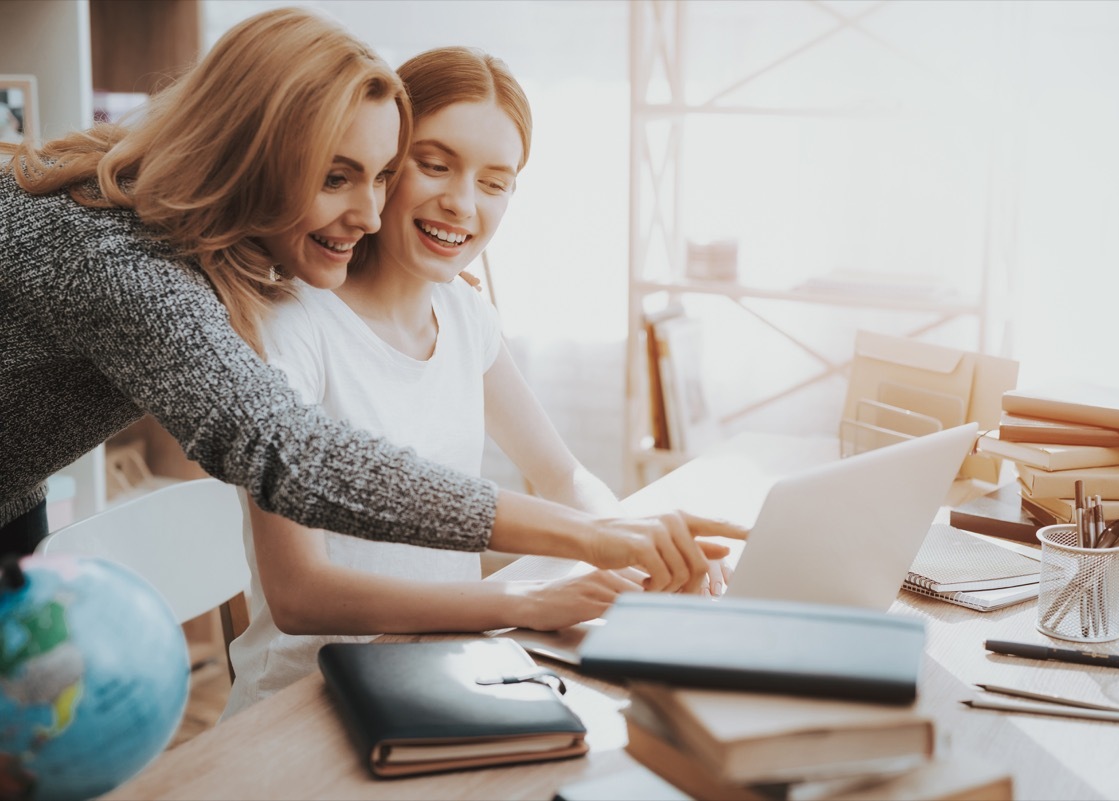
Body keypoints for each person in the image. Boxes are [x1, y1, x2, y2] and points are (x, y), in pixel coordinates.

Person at [0, 7, 742, 588]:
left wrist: (420, 275)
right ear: (248, 154)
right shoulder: (117, 260)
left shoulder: (208, 237)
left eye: (383, 176)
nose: (371, 213)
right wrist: (587, 536)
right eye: (335, 176)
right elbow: (292, 455)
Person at [223, 46, 689, 716]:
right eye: (435, 165)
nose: (462, 202)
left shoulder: (464, 313)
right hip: (306, 707)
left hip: (442, 678)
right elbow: (300, 594)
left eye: (495, 182)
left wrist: (646, 548)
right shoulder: (293, 329)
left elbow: (561, 475)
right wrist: (517, 601)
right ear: (383, 163)